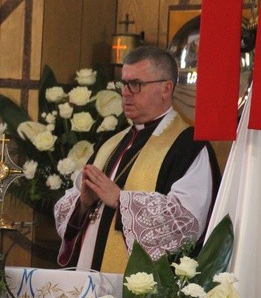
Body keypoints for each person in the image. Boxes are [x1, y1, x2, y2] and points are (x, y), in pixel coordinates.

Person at [54, 46, 221, 273]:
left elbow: (186, 224)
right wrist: (83, 202)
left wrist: (121, 200)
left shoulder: (188, 147)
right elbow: (67, 206)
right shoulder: (111, 144)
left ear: (166, 88)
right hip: (89, 285)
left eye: (136, 84)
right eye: (124, 84)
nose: (126, 93)